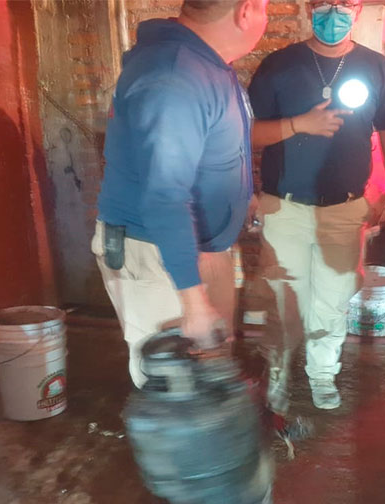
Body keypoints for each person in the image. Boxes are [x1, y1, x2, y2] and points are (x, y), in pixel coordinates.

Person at [93, 0, 269, 388]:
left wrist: (243, 196)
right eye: (265, 7)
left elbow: (214, 147)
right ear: (246, 11)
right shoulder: (173, 76)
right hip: (157, 250)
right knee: (177, 388)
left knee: (211, 371)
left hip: (198, 246)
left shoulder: (209, 63)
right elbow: (164, 197)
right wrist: (193, 301)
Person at [248, 0, 385, 410]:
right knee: (285, 301)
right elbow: (247, 134)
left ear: (358, 10)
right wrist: (298, 125)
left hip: (344, 210)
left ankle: (322, 374)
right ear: (309, 8)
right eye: (324, 3)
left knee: (333, 300)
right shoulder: (278, 65)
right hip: (284, 209)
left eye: (345, 4)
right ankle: (279, 376)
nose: (334, 12)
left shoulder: (376, 67)